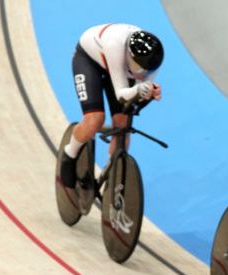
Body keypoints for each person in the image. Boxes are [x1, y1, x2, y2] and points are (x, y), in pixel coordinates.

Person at [58, 24, 164, 209]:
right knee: (95, 120)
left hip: (121, 69)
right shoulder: (115, 45)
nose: (141, 73)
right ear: (130, 56)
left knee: (122, 125)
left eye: (145, 70)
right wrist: (139, 89)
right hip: (89, 61)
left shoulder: (151, 61)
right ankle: (70, 154)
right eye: (138, 67)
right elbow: (121, 93)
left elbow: (140, 87)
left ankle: (113, 172)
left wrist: (150, 92)